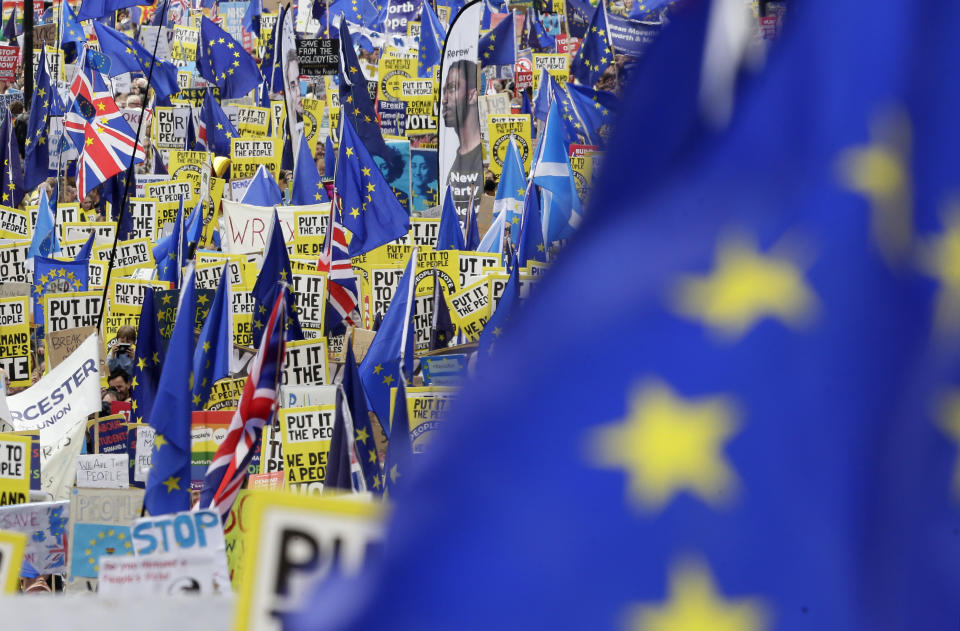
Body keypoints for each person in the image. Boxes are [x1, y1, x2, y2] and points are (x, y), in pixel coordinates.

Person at [442, 59, 483, 218]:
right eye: (444, 91)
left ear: (472, 95)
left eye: (452, 88)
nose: (444, 99)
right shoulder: (449, 156)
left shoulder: (485, 158)